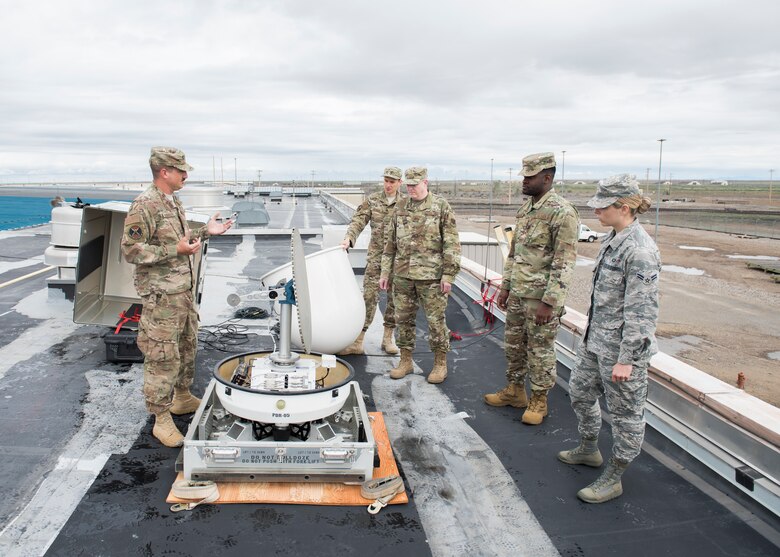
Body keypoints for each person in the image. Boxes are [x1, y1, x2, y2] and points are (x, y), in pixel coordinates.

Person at [557, 174, 660, 503]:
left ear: (624, 207)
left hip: (621, 352)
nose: (596, 212)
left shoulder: (640, 251)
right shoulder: (612, 239)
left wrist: (627, 360)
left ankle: (615, 474)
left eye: (603, 206)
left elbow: (642, 313)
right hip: (595, 342)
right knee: (579, 393)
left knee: (626, 417)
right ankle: (589, 448)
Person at [121, 146, 233, 448]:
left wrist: (206, 231)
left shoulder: (172, 202)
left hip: (182, 292)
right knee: (162, 357)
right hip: (161, 298)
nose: (185, 175)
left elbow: (180, 239)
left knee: (186, 346)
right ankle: (160, 418)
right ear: (164, 172)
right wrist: (175, 251)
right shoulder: (143, 205)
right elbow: (131, 250)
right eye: (181, 170)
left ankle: (181, 397)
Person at [485, 152, 578, 425]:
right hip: (517, 295)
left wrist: (550, 302)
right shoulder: (526, 210)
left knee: (540, 350)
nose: (523, 182)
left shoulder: (562, 213)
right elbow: (515, 254)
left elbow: (564, 262)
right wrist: (505, 288)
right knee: (514, 346)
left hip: (540, 299)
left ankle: (539, 401)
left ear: (547, 178)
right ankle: (515, 391)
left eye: (529, 177)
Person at [379, 166, 461, 384]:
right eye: (408, 185)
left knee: (436, 322)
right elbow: (390, 244)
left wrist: (448, 275)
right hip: (403, 276)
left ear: (426, 182)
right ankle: (405, 361)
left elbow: (452, 244)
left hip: (431, 278)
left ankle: (440, 363)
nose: (411, 189)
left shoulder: (441, 206)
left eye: (415, 185)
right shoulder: (401, 207)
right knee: (404, 320)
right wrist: (385, 272)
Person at [338, 167, 403, 356]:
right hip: (376, 259)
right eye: (386, 181)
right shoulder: (373, 200)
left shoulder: (406, 204)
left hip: (399, 261)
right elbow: (358, 221)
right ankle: (358, 341)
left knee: (394, 301)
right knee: (368, 298)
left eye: (392, 181)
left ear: (400, 182)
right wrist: (349, 238)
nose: (388, 185)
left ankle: (387, 339)